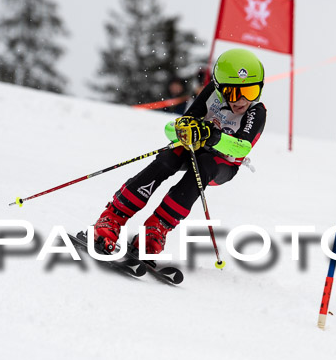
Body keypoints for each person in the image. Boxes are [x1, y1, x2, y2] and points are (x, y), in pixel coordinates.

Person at [92, 48, 267, 255]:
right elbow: (174, 128)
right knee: (169, 157)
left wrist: (211, 134)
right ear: (220, 88)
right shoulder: (212, 93)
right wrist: (187, 130)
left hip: (222, 165)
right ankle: (113, 217)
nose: (242, 100)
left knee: (204, 167)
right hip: (196, 148)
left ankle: (156, 229)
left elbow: (242, 147)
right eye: (233, 92)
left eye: (251, 92)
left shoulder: (256, 112)